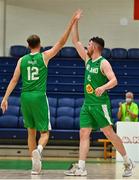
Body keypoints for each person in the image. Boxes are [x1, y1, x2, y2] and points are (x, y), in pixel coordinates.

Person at [1, 10, 80, 175]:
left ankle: (34, 166)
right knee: (44, 132)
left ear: (28, 45)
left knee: (30, 131)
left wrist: (5, 98)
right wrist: (72, 22)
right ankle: (39, 148)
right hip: (38, 96)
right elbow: (61, 42)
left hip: (25, 96)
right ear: (40, 44)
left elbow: (14, 80)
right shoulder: (44, 56)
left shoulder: (21, 60)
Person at [64, 11, 135, 177]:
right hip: (87, 104)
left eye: (89, 45)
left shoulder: (104, 63)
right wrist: (75, 21)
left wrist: (103, 87)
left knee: (109, 133)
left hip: (100, 104)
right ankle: (81, 167)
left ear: (95, 47)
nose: (86, 47)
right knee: (84, 133)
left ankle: (127, 161)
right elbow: (75, 41)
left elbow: (114, 80)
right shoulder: (88, 60)